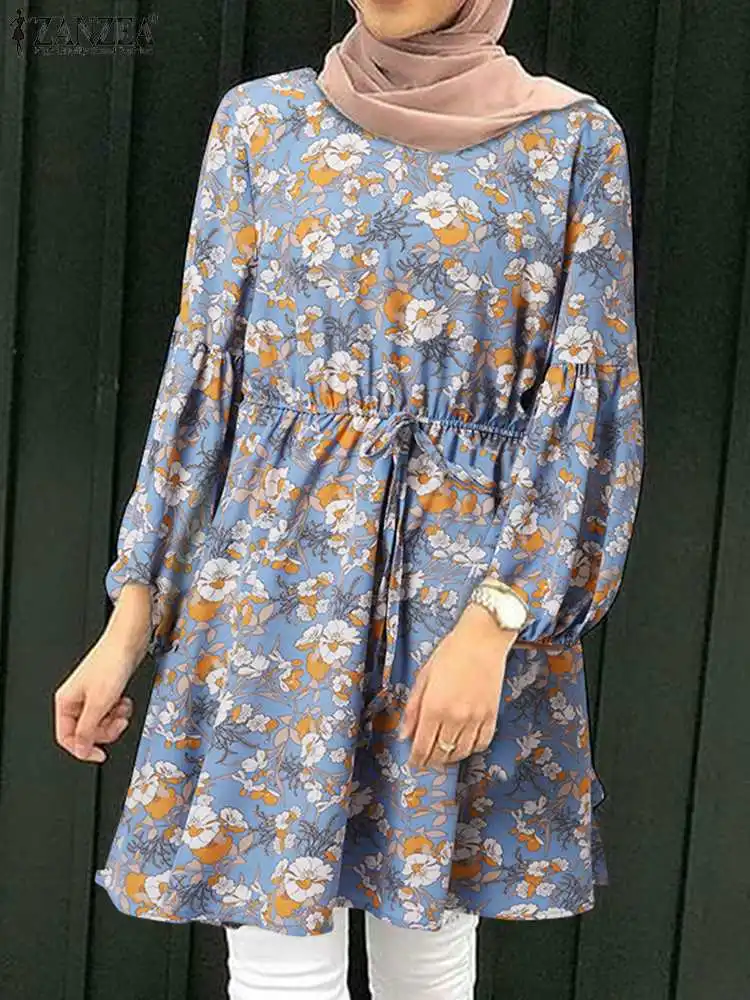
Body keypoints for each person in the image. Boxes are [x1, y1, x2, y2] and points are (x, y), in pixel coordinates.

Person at [53, 0, 645, 996]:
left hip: (459, 607)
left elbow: (587, 402)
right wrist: (130, 622)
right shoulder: (261, 124)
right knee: (276, 957)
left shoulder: (571, 142)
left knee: (428, 946)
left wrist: (497, 622)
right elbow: (203, 380)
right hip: (273, 596)